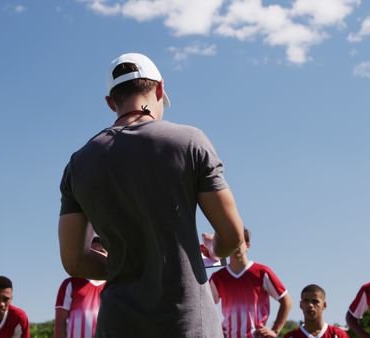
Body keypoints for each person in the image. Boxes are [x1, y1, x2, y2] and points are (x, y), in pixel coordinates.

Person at [58, 52, 245, 337]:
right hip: (187, 323)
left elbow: (74, 261)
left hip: (118, 324)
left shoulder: (79, 163)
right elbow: (232, 236)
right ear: (159, 88)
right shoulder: (189, 142)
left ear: (111, 102)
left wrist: (126, 264)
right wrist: (215, 249)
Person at [209, 228, 292, 338]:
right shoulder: (217, 277)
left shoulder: (262, 272)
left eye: (239, 242)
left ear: (247, 245)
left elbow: (287, 301)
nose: (235, 246)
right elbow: (205, 306)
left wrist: (275, 330)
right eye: (231, 243)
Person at [55, 237, 107, 338]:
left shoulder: (114, 285)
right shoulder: (70, 284)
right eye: (94, 252)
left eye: (102, 251)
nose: (97, 255)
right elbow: (60, 323)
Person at [284, 284, 348, 338]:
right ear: (301, 305)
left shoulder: (339, 335)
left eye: (315, 301)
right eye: (306, 301)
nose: (310, 305)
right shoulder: (291, 336)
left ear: (324, 305)